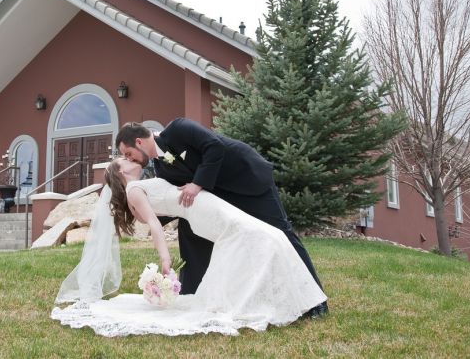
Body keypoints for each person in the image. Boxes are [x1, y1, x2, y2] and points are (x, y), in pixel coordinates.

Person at [51, 158, 327, 337]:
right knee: (267, 237)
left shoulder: (138, 186)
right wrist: (165, 259)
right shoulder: (135, 190)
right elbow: (155, 225)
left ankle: (289, 299)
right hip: (203, 213)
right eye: (123, 159)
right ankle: (286, 300)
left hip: (203, 208)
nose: (129, 158)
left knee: (269, 237)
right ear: (121, 171)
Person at [115, 118, 327, 317]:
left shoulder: (178, 129)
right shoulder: (161, 168)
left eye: (128, 153)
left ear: (139, 141)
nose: (129, 159)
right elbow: (177, 199)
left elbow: (214, 146)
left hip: (247, 180)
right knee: (189, 232)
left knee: (282, 233)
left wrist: (197, 184)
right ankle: (193, 296)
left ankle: (316, 302)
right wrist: (144, 214)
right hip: (221, 200)